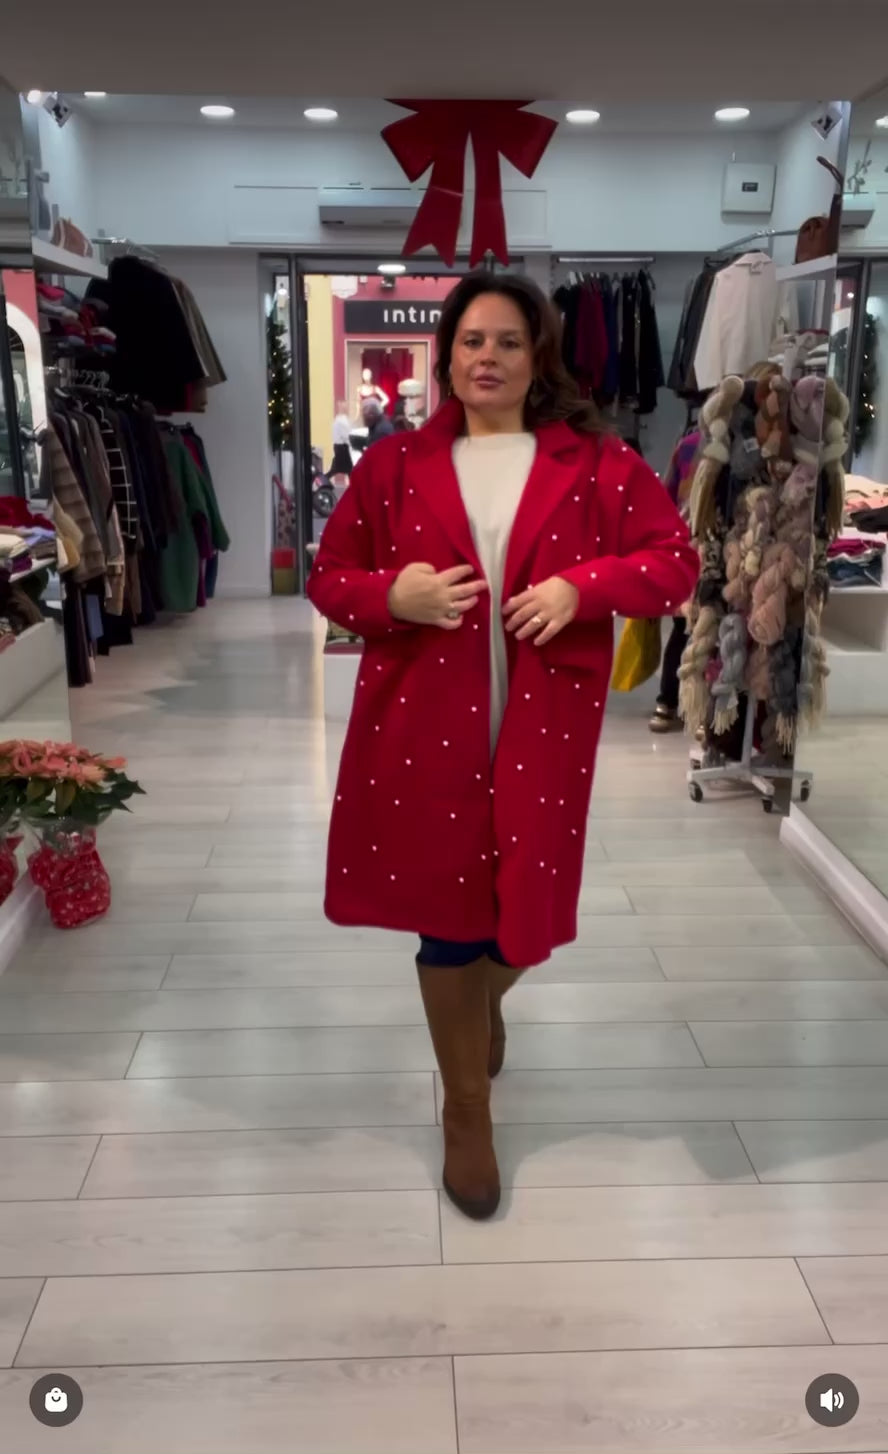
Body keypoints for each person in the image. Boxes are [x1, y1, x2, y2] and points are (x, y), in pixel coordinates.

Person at [307, 272, 698, 1222]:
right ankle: (466, 1112)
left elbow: (675, 562)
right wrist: (390, 596)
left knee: (522, 909)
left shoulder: (596, 463)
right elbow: (330, 576)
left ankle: (486, 1003)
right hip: (421, 725)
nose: (488, 357)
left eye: (509, 341)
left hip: (542, 725)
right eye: (473, 340)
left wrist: (583, 587)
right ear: (447, 356)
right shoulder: (393, 465)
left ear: (538, 357)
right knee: (448, 918)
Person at [329, 400, 354, 481]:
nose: (346, 407)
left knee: (342, 469)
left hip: (340, 447)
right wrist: (352, 444)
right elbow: (346, 436)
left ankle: (354, 485)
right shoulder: (341, 420)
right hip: (342, 447)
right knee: (347, 469)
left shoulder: (341, 419)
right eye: (344, 406)